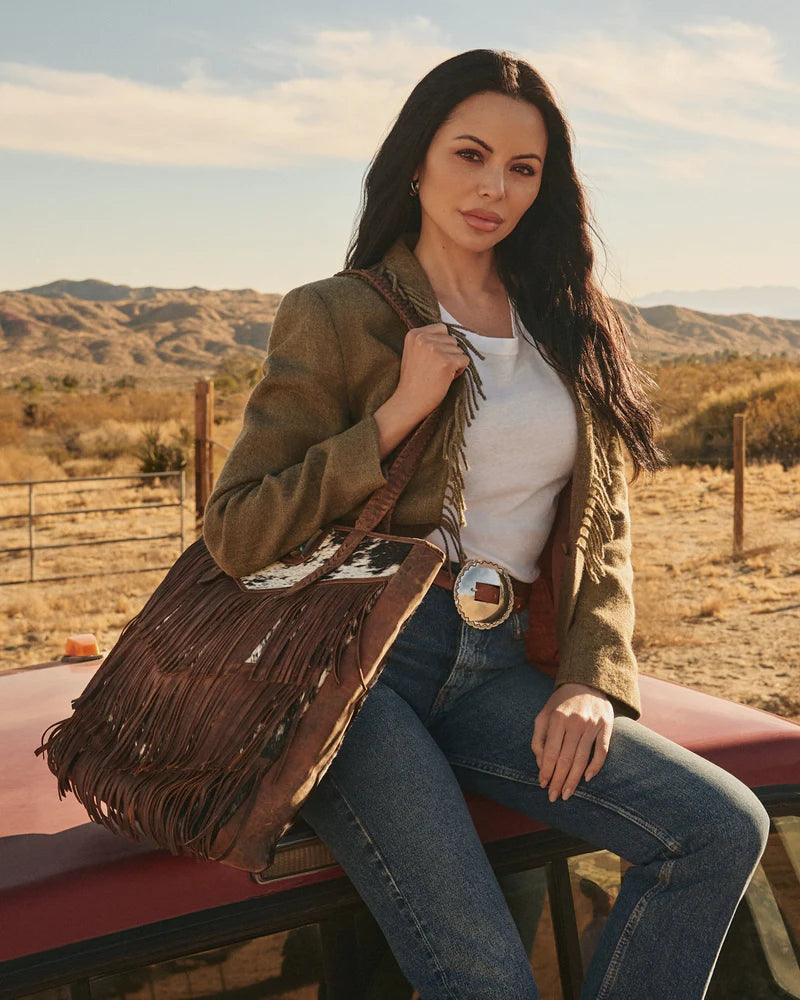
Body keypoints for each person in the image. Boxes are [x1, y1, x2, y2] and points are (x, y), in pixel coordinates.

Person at [203, 49, 770, 1000]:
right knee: (487, 977)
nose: (492, 188)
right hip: (358, 675)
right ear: (416, 161)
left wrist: (593, 677)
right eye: (470, 155)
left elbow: (602, 526)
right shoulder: (338, 316)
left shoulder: (570, 323)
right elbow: (237, 531)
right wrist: (391, 418)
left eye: (522, 168)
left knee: (719, 828)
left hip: (497, 667)